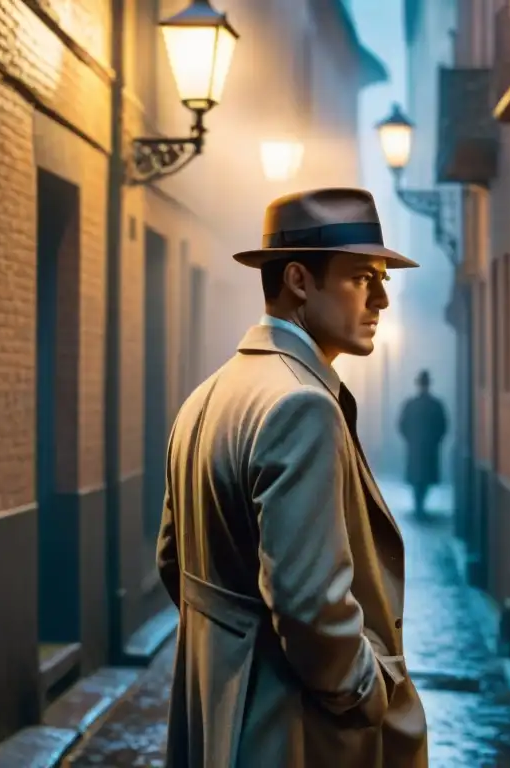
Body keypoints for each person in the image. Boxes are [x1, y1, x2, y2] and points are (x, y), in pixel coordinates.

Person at [156, 188, 428, 768]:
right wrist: (367, 690)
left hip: (215, 716)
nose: (381, 298)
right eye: (362, 277)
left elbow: (172, 560)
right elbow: (310, 608)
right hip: (289, 732)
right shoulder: (300, 406)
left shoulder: (207, 396)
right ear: (300, 281)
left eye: (383, 279)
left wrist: (226, 652)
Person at [397, 370, 448, 516]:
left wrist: (411, 439)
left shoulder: (413, 404)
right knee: (421, 479)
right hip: (423, 448)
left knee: (420, 478)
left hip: (421, 447)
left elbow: (402, 424)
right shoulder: (432, 404)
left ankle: (419, 504)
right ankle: (419, 505)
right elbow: (443, 426)